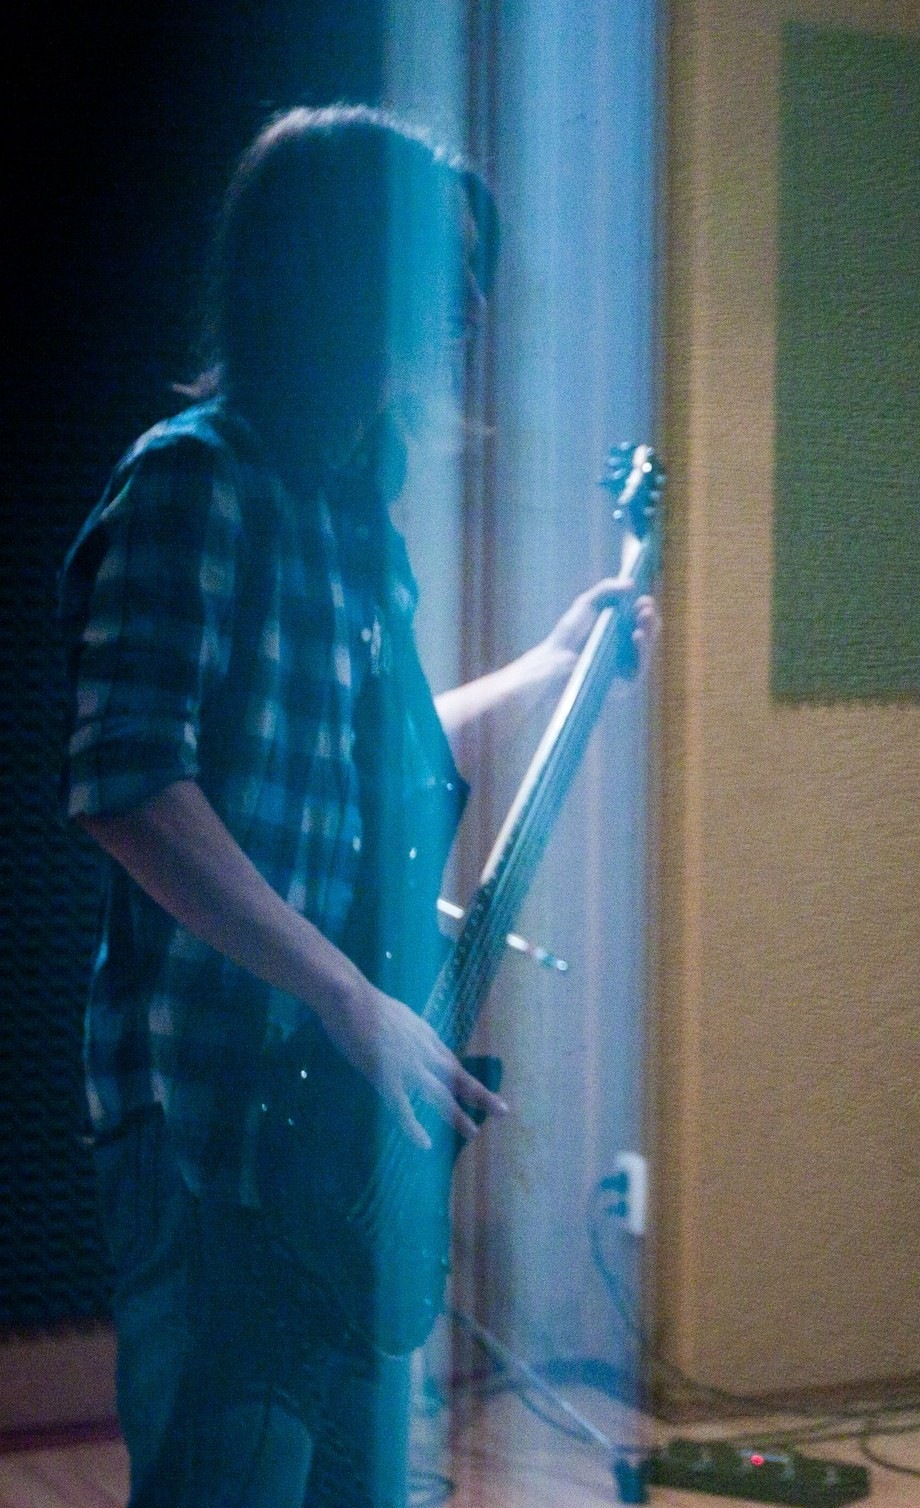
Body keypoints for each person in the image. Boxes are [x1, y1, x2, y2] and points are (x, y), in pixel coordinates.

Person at [59, 105, 655, 1508]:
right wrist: (347, 997)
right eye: (438, 264)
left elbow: (359, 756)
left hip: (334, 1122)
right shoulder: (193, 482)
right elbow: (129, 786)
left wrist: (548, 666)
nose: (469, 305)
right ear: (334, 265)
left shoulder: (349, 523)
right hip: (212, 1122)